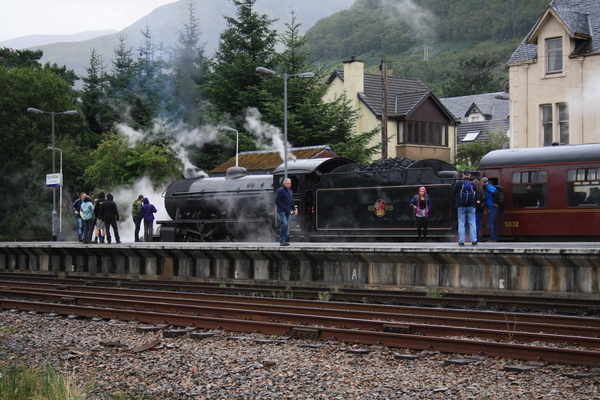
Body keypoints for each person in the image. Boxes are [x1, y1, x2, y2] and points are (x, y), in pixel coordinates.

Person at [453, 169, 478, 246]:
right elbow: (476, 194)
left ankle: (461, 240)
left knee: (461, 223)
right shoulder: (473, 184)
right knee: (472, 223)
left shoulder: (458, 184)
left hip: (461, 206)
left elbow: (453, 193)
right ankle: (474, 240)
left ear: (463, 175)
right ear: (470, 175)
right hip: (471, 206)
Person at [274, 177, 297, 246]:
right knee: (284, 224)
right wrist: (283, 207)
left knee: (286, 225)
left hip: (287, 211)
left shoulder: (290, 191)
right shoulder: (280, 191)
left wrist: (294, 209)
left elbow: (291, 200)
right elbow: (277, 200)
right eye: (289, 183)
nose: (290, 184)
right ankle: (282, 240)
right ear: (285, 184)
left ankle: (284, 239)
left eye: (290, 183)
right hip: (282, 211)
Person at [482, 177, 499, 242]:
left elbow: (496, 192)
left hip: (492, 206)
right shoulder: (488, 186)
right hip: (491, 206)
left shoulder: (488, 186)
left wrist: (495, 202)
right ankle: (493, 237)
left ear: (483, 182)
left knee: (490, 223)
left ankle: (493, 238)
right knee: (492, 223)